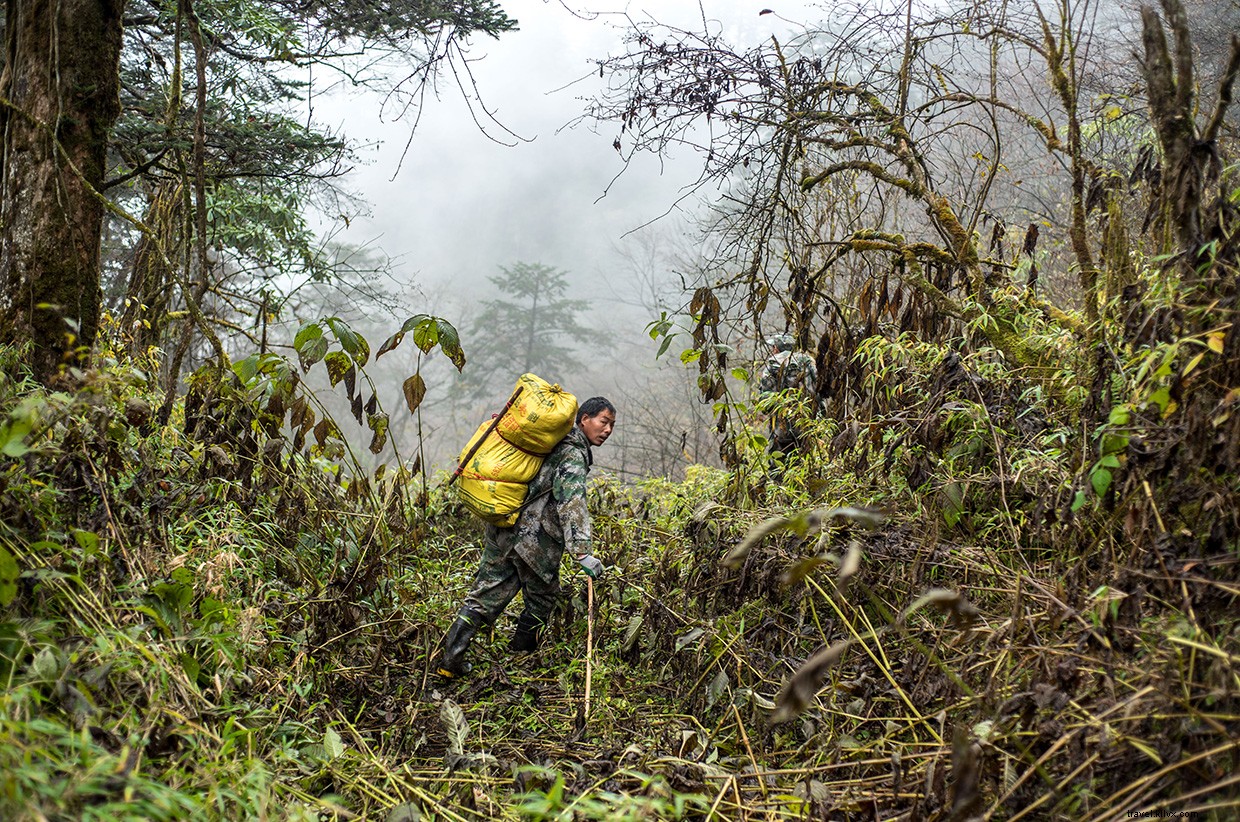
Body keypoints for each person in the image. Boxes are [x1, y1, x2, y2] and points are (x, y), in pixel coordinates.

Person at [435, 396, 617, 678]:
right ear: (584, 419)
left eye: (612, 425)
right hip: (533, 538)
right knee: (543, 599)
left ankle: (450, 662)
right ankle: (522, 657)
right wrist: (582, 551)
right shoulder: (572, 453)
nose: (607, 430)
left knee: (485, 594)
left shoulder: (550, 442)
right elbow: (572, 501)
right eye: (603, 422)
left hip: (504, 526)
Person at [757, 334, 817, 456]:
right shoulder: (808, 363)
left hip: (781, 431)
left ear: (777, 348)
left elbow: (765, 405)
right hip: (807, 427)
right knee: (804, 466)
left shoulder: (772, 367)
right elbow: (819, 391)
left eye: (773, 347)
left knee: (778, 468)